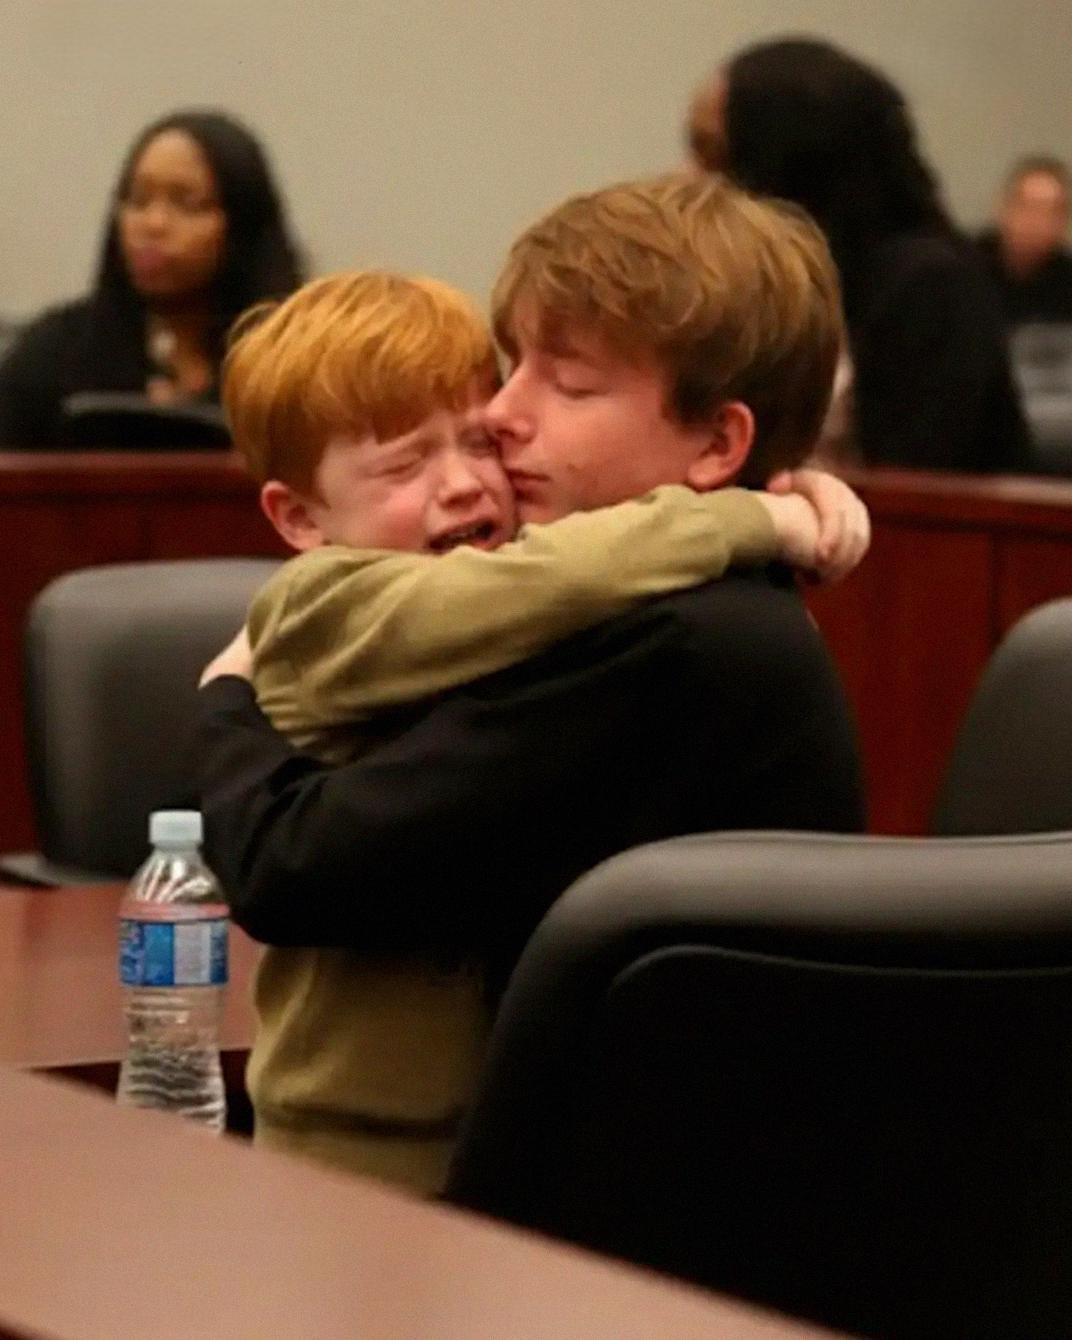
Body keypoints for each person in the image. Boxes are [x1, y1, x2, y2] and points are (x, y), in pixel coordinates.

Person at [195, 173, 866, 1183]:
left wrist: (228, 694)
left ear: (718, 444)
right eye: (514, 367)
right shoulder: (706, 602)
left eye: (571, 385)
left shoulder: (664, 645)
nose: (503, 414)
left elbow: (293, 867)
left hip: (597, 1233)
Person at [687, 37, 1030, 474]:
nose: (689, 178)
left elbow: (914, 488)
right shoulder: (761, 285)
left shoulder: (930, 287)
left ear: (781, 160)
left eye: (713, 155)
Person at [0, 110, 302, 449]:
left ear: (243, 226)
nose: (153, 224)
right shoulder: (56, 354)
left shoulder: (294, 364)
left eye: (186, 204)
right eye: (138, 200)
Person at [977, 157, 1072, 328]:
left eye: (1053, 211)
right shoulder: (962, 268)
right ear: (1004, 208)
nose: (1039, 221)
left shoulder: (1067, 277)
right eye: (1029, 206)